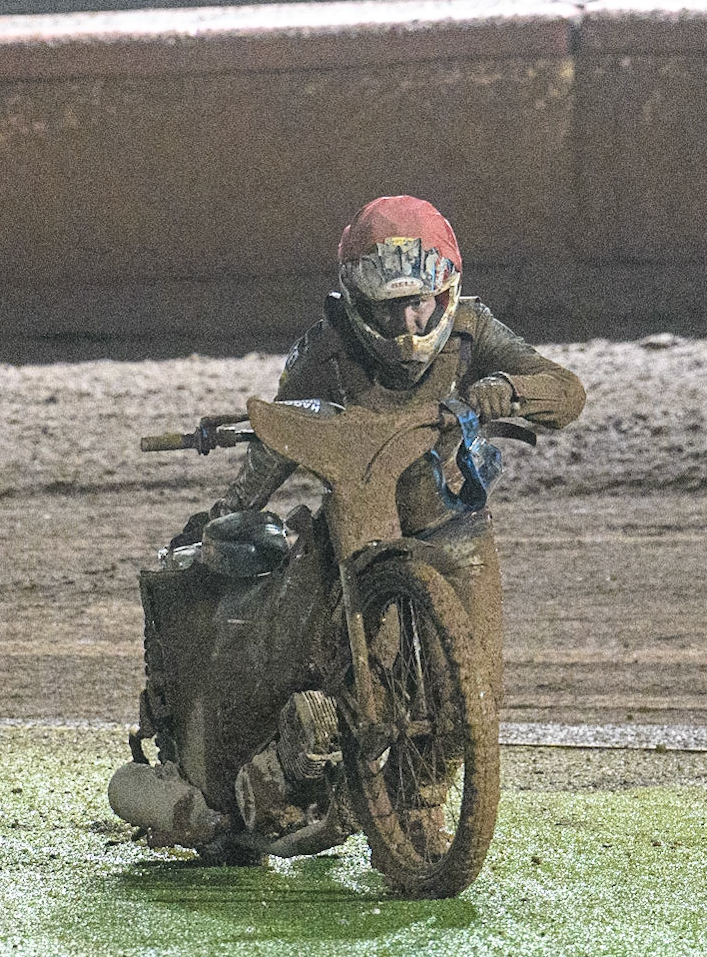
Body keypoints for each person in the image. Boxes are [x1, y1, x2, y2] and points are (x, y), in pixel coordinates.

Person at [175, 193, 585, 704]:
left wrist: (509, 389)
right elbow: (278, 435)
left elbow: (567, 392)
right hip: (357, 525)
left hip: (450, 517)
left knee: (475, 695)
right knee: (339, 668)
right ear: (356, 302)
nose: (408, 323)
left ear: (446, 292)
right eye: (389, 308)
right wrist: (232, 510)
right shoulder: (324, 350)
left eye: (419, 302)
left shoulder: (472, 328)